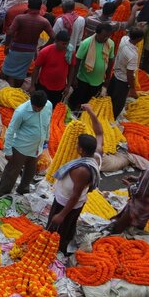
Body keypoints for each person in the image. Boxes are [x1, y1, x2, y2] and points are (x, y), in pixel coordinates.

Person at [47, 105, 105, 253]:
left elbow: (75, 195)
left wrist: (61, 214)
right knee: (68, 227)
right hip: (72, 203)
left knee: (58, 230)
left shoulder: (81, 170)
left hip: (66, 204)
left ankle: (56, 251)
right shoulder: (97, 155)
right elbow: (99, 132)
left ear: (80, 149)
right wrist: (91, 111)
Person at [107, 137, 149, 234]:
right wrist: (137, 179)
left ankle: (116, 236)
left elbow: (139, 193)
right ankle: (135, 234)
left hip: (141, 204)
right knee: (140, 224)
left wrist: (129, 185)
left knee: (120, 225)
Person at [0, 91, 52, 197]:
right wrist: (8, 151)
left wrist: (46, 138)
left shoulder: (48, 106)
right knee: (12, 172)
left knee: (30, 171)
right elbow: (11, 130)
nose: (38, 110)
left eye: (41, 108)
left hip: (36, 147)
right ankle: (2, 194)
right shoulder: (21, 111)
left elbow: (47, 123)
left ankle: (23, 191)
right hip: (21, 147)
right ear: (31, 103)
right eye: (36, 107)